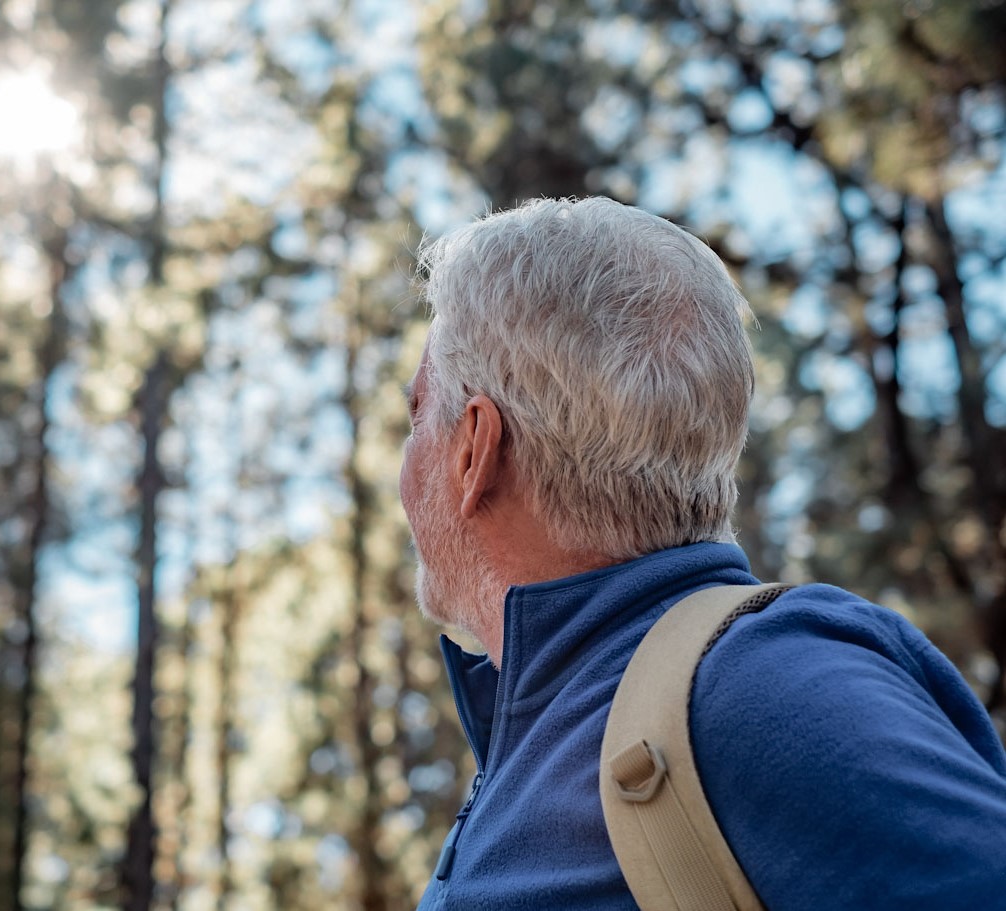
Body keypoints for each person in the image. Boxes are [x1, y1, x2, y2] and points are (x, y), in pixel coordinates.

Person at [400, 196, 1006, 910]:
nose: (404, 465)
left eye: (413, 416)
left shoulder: (765, 684)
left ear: (474, 448)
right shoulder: (557, 732)